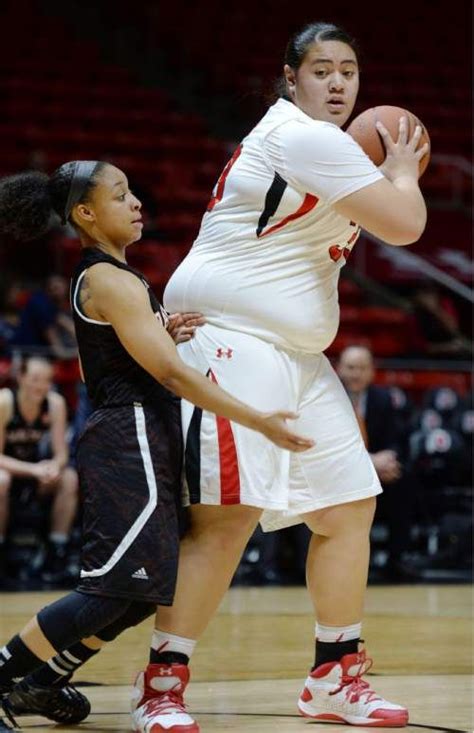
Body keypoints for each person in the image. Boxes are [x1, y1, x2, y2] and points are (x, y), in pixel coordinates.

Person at [130, 21, 427, 731]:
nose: (337, 83)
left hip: (294, 353)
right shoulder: (300, 134)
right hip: (233, 339)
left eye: (349, 72)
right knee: (227, 518)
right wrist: (405, 172)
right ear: (290, 78)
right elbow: (406, 224)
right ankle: (161, 686)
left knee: (350, 505)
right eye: (321, 69)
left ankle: (334, 675)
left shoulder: (331, 148)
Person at [0, 160, 313, 732]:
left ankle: (41, 684)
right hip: (131, 437)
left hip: (147, 435)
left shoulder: (121, 277)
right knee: (107, 592)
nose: (137, 202)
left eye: (134, 191)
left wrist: (159, 329)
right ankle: (5, 679)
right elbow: (170, 374)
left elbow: (128, 355)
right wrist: (257, 420)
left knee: (143, 594)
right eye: (121, 195)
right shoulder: (106, 279)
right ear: (86, 215)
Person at [337, 345, 419, 580]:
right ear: (339, 369)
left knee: (402, 481)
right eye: (351, 367)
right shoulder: (327, 398)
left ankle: (397, 559)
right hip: (337, 472)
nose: (356, 374)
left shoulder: (382, 399)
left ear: (372, 372)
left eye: (362, 368)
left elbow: (394, 441)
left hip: (375, 474)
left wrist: (388, 460)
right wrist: (370, 461)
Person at [0, 356, 79, 584]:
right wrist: (34, 470)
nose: (41, 386)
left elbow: (62, 454)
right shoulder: (5, 402)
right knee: (1, 480)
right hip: (10, 471)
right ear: (20, 377)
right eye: (35, 379)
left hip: (35, 474)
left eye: (47, 380)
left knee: (69, 478)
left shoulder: (55, 403)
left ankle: (57, 551)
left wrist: (54, 467)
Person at [13, 274, 77, 360]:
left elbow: (68, 325)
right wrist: (78, 351)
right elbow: (58, 349)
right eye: (56, 289)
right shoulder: (41, 306)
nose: (62, 292)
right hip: (27, 354)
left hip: (36, 351)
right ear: (49, 290)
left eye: (63, 288)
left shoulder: (48, 302)